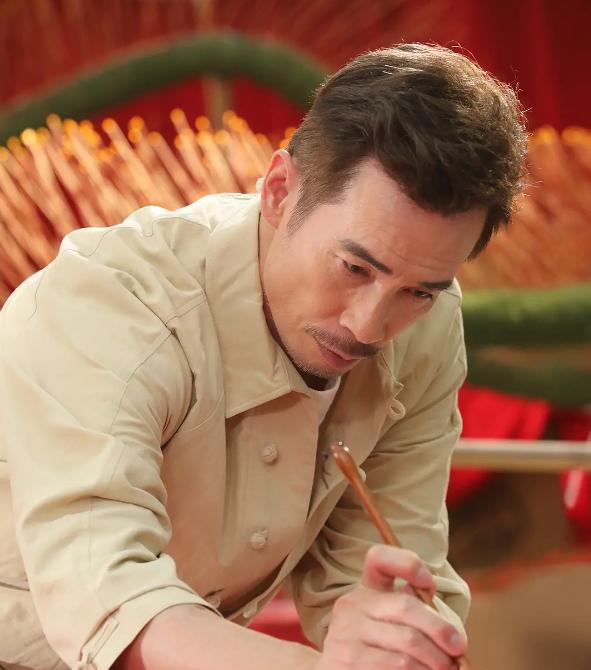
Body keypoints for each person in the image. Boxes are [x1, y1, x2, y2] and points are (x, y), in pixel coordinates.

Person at [0, 43, 526, 670]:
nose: (367, 327)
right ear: (279, 191)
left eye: (418, 292)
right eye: (353, 267)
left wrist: (399, 640)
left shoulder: (429, 324)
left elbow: (381, 574)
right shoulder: (113, 305)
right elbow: (112, 602)